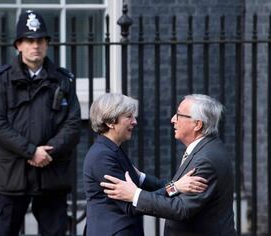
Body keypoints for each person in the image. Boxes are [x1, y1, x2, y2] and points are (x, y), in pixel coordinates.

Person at [0, 10, 81, 236]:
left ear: (47, 44)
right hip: (13, 173)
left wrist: (47, 152)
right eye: (29, 40)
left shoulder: (62, 79)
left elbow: (73, 124)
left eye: (40, 40)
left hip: (52, 171)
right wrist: (31, 152)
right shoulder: (3, 81)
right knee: (5, 231)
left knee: (55, 232)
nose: (35, 45)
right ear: (18, 45)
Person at [101, 94, 236, 236]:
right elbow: (179, 191)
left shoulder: (206, 160)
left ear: (197, 124)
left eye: (179, 115)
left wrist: (135, 195)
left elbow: (181, 208)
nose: (172, 120)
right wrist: (142, 179)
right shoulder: (207, 148)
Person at [83, 93, 208, 236]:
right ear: (110, 122)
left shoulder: (112, 150)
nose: (134, 121)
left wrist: (145, 178)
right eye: (129, 116)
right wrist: (176, 187)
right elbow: (131, 205)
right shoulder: (102, 156)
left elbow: (135, 190)